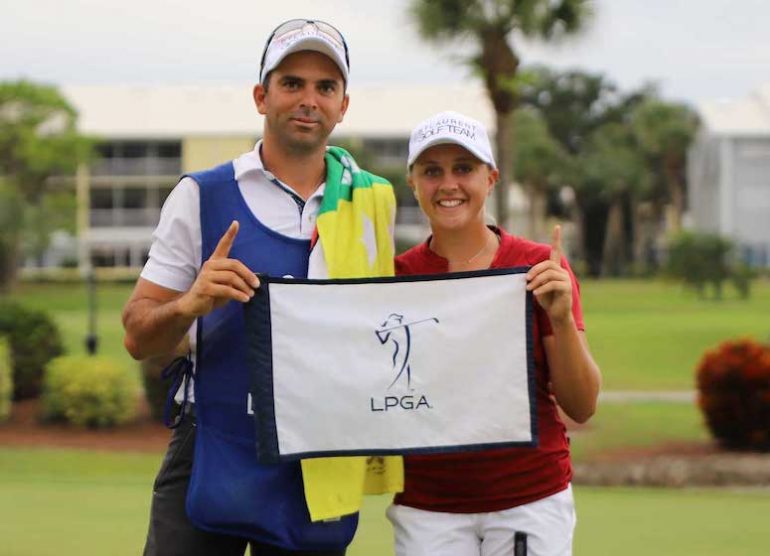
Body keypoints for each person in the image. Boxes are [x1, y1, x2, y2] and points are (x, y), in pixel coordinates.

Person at [122, 19, 396, 556]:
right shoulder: (201, 194)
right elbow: (138, 336)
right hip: (212, 443)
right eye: (292, 83)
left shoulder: (373, 203)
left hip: (319, 450)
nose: (308, 99)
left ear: (343, 105)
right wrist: (190, 303)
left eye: (325, 87)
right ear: (261, 96)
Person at [387, 111, 602, 556]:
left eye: (463, 169)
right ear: (413, 183)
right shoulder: (394, 277)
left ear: (492, 177)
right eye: (432, 171)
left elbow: (581, 405)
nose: (448, 184)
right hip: (428, 506)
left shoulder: (540, 267)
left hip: (529, 498)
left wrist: (560, 319)